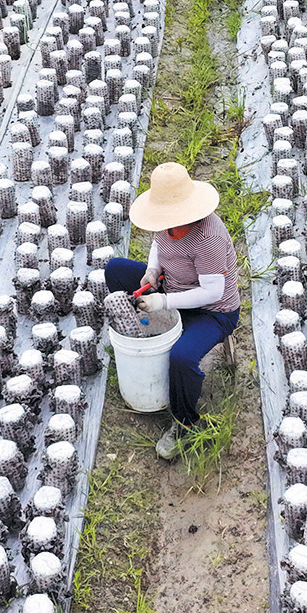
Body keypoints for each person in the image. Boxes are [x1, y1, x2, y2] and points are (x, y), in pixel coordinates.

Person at [105, 162, 241, 460]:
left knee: (182, 357)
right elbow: (158, 243)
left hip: (211, 311)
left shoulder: (208, 238)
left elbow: (212, 292)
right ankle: (138, 333)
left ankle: (184, 423)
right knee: (115, 270)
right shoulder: (167, 223)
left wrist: (163, 303)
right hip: (174, 287)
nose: (166, 224)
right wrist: (152, 271)